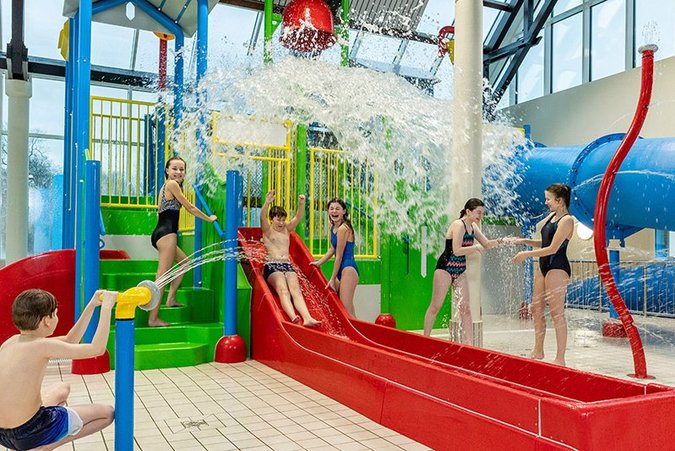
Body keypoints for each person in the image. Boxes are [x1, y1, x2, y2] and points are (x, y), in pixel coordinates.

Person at [0, 289, 117, 451]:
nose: (57, 318)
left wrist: (92, 305)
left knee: (62, 388)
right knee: (108, 413)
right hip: (30, 432)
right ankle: (45, 446)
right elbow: (97, 349)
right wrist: (107, 309)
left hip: (3, 435)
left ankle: (32, 444)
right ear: (47, 320)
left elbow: (70, 340)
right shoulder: (42, 346)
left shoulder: (11, 341)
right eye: (55, 314)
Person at [148, 156, 217, 327]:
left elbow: (160, 213)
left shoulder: (165, 188)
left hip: (161, 232)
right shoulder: (171, 184)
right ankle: (153, 318)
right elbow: (190, 207)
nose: (178, 172)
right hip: (167, 234)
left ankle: (171, 298)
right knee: (162, 277)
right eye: (174, 168)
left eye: (181, 169)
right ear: (167, 171)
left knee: (185, 263)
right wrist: (209, 218)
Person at [423, 198, 502, 344]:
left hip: (460, 270)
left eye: (482, 213)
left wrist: (503, 241)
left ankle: (469, 344)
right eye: (478, 212)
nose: (480, 216)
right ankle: (425, 339)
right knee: (435, 306)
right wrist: (476, 248)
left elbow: (487, 244)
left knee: (465, 307)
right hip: (445, 268)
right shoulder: (458, 225)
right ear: (468, 211)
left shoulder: (473, 227)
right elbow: (457, 250)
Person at [512, 183, 574, 366]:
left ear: (560, 200)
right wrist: (525, 241)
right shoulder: (552, 216)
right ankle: (538, 350)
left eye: (548, 199)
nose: (546, 202)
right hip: (543, 266)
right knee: (536, 309)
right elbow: (545, 242)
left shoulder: (567, 220)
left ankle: (560, 358)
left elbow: (553, 248)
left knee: (557, 314)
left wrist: (526, 254)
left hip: (557, 267)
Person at [261, 191, 321, 327]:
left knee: (296, 290)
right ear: (272, 219)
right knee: (283, 290)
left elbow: (298, 218)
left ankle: (307, 318)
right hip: (272, 265)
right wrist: (267, 202)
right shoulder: (267, 230)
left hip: (287, 265)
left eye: (283, 219)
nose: (281, 223)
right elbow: (262, 216)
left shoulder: (286, 230)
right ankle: (293, 317)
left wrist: (301, 204)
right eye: (278, 219)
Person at [310, 198, 360, 317]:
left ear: (343, 211)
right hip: (342, 270)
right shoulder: (333, 227)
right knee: (348, 310)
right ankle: (360, 333)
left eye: (337, 208)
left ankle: (355, 335)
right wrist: (319, 263)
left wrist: (332, 279)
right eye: (331, 209)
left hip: (348, 268)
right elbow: (332, 249)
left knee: (346, 310)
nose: (334, 211)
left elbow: (339, 256)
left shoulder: (343, 229)